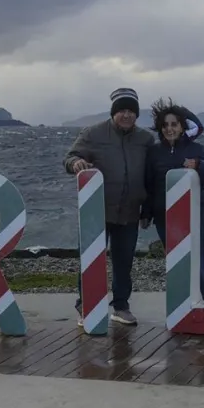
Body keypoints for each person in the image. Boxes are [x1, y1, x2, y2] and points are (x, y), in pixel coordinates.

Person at [63, 87, 154, 325]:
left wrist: (148, 208)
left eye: (131, 111)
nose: (127, 115)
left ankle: (121, 307)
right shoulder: (92, 133)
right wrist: (76, 162)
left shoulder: (146, 139)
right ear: (114, 112)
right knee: (91, 260)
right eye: (122, 110)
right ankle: (86, 306)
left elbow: (151, 176)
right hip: (97, 211)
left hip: (130, 212)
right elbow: (69, 157)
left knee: (124, 262)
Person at [142, 98, 204, 302]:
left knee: (197, 258)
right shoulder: (154, 153)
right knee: (176, 261)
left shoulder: (197, 150)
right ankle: (182, 307)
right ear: (160, 128)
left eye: (174, 124)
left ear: (182, 127)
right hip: (164, 217)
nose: (169, 129)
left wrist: (199, 165)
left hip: (195, 216)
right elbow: (149, 185)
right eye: (165, 125)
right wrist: (146, 214)